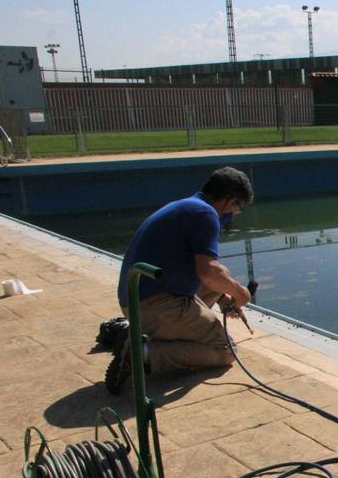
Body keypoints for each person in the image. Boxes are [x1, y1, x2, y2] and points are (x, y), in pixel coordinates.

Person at [105, 167, 253, 394]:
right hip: (156, 305)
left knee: (222, 274)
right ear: (228, 200)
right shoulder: (206, 215)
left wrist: (224, 298)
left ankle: (136, 331)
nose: (234, 214)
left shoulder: (187, 205)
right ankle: (144, 353)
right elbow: (208, 271)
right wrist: (240, 293)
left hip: (139, 299)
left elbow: (202, 272)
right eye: (236, 207)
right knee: (226, 350)